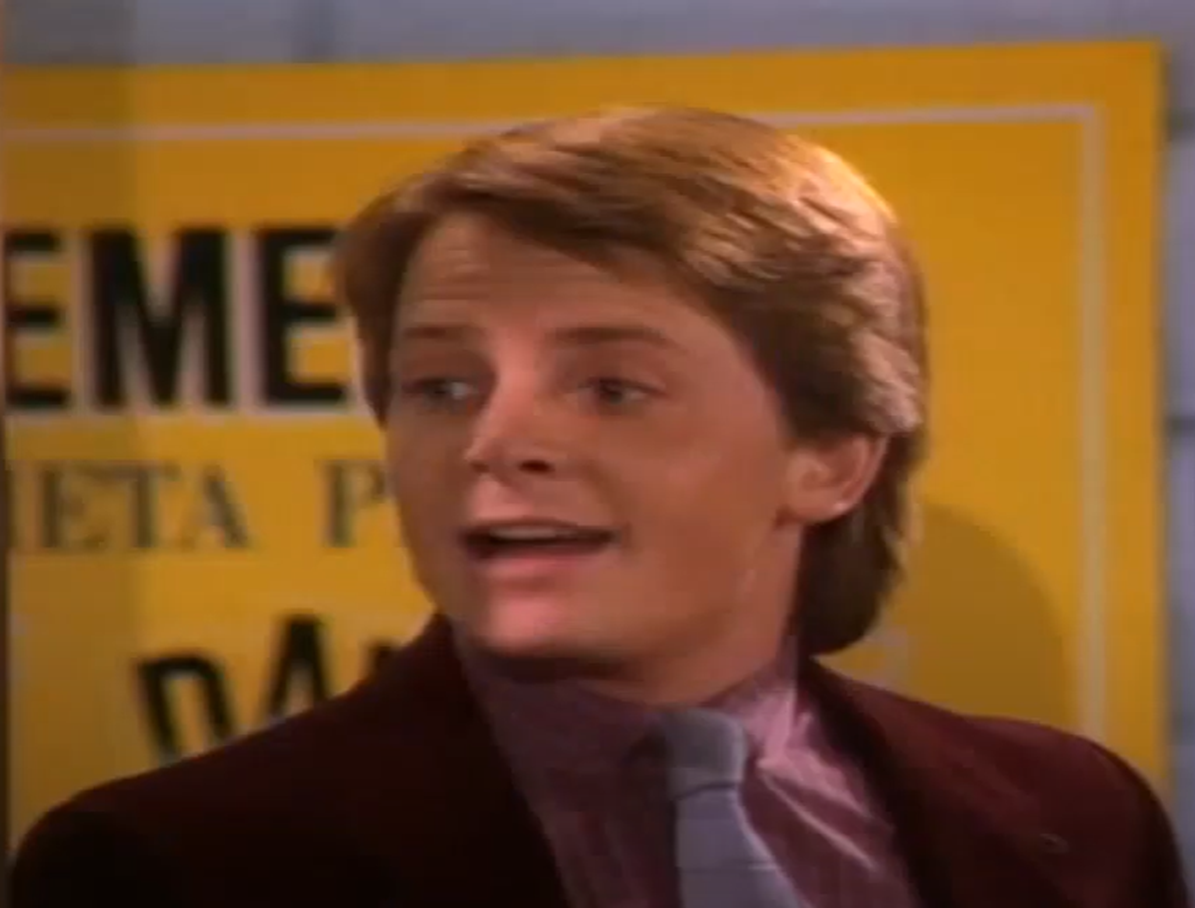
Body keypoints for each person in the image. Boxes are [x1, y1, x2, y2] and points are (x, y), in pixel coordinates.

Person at [12, 106, 1189, 908]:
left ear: (831, 456)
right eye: (443, 386)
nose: (495, 442)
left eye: (612, 387)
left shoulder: (1077, 819)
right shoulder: (174, 866)